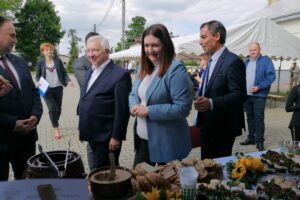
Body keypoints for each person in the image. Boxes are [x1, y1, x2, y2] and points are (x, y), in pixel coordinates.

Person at [129, 24, 193, 166]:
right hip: (143, 140)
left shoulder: (176, 70)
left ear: (165, 45)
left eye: (155, 45)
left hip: (167, 143)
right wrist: (133, 105)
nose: (149, 50)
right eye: (146, 46)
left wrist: (149, 110)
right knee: (139, 184)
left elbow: (182, 108)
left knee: (167, 186)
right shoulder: (142, 66)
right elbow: (133, 93)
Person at [195, 20, 247, 159]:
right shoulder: (211, 60)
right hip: (207, 125)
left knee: (217, 172)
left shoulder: (233, 61)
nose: (200, 42)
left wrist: (211, 103)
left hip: (222, 128)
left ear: (217, 36)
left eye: (204, 37)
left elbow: (239, 95)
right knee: (205, 167)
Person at [78, 35, 131, 169]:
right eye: (88, 51)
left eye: (95, 50)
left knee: (104, 173)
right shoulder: (91, 71)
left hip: (106, 137)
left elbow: (122, 110)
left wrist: (116, 136)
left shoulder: (120, 75)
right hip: (91, 133)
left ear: (107, 52)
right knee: (94, 170)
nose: (90, 54)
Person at [0, 16, 43, 180]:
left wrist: (36, 116)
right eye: (11, 35)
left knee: (26, 186)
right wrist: (13, 124)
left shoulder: (19, 61)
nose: (15, 40)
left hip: (26, 139)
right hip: (2, 141)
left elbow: (34, 92)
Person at [240, 42, 276, 151]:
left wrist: (259, 87)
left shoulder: (266, 61)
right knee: (250, 117)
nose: (252, 52)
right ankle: (251, 138)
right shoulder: (246, 62)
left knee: (259, 118)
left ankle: (259, 141)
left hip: (259, 95)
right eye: (250, 50)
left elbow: (271, 76)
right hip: (247, 95)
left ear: (259, 49)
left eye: (254, 50)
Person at [36, 43, 74, 140]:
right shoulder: (40, 62)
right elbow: (37, 75)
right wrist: (37, 82)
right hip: (45, 88)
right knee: (52, 108)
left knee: (58, 108)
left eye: (51, 50)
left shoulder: (58, 61)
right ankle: (56, 128)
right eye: (47, 50)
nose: (49, 51)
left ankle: (54, 120)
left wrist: (69, 81)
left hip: (58, 87)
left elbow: (64, 73)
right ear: (43, 52)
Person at [72, 32, 99, 170]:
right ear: (86, 45)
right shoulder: (79, 63)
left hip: (107, 110)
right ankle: (94, 173)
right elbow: (87, 84)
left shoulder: (105, 60)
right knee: (92, 144)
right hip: (89, 109)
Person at [192, 53, 209, 125]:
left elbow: (207, 84)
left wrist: (198, 79)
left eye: (201, 59)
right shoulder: (203, 71)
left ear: (206, 60)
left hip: (205, 96)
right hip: (200, 94)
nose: (200, 61)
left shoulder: (208, 71)